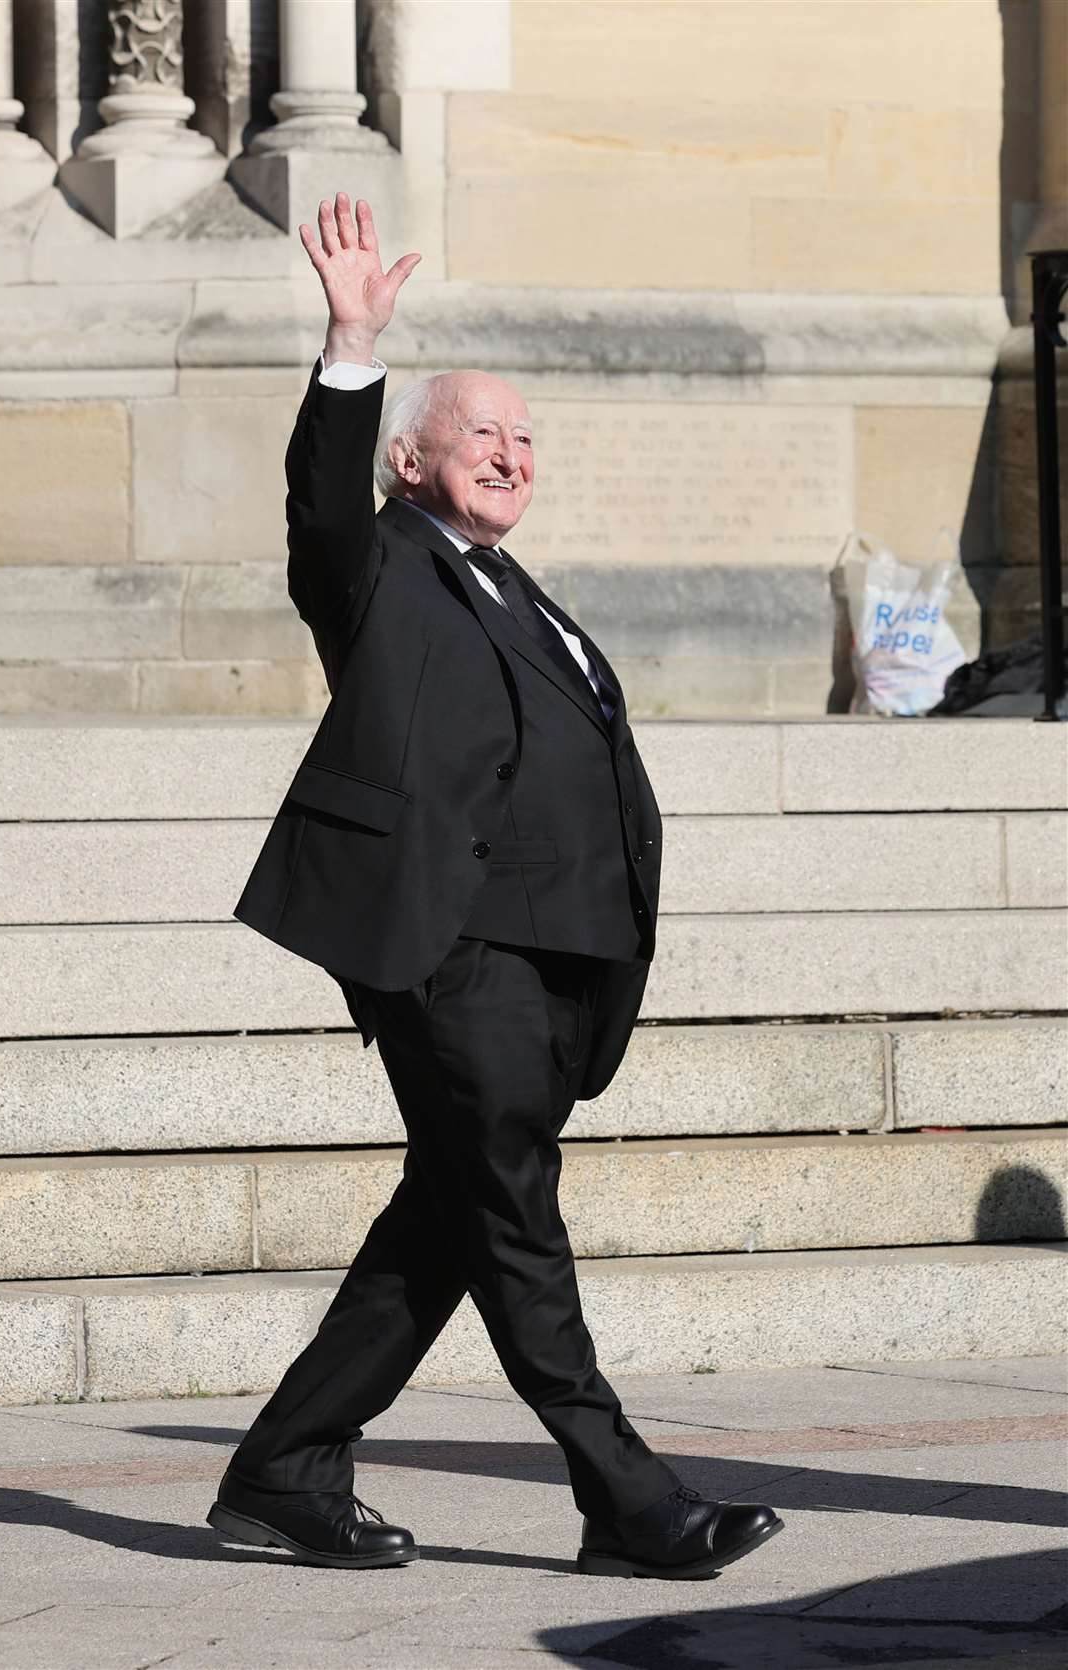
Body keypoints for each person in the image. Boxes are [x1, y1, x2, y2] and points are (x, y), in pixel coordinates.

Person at [207, 192, 783, 1581]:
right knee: (514, 1209)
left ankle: (284, 1466)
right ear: (411, 461)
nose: (512, 455)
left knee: (453, 1213)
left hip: (555, 963)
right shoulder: (385, 570)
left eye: (527, 440)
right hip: (452, 946)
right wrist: (352, 342)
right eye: (483, 435)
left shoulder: (524, 592)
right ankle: (627, 1493)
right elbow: (317, 516)